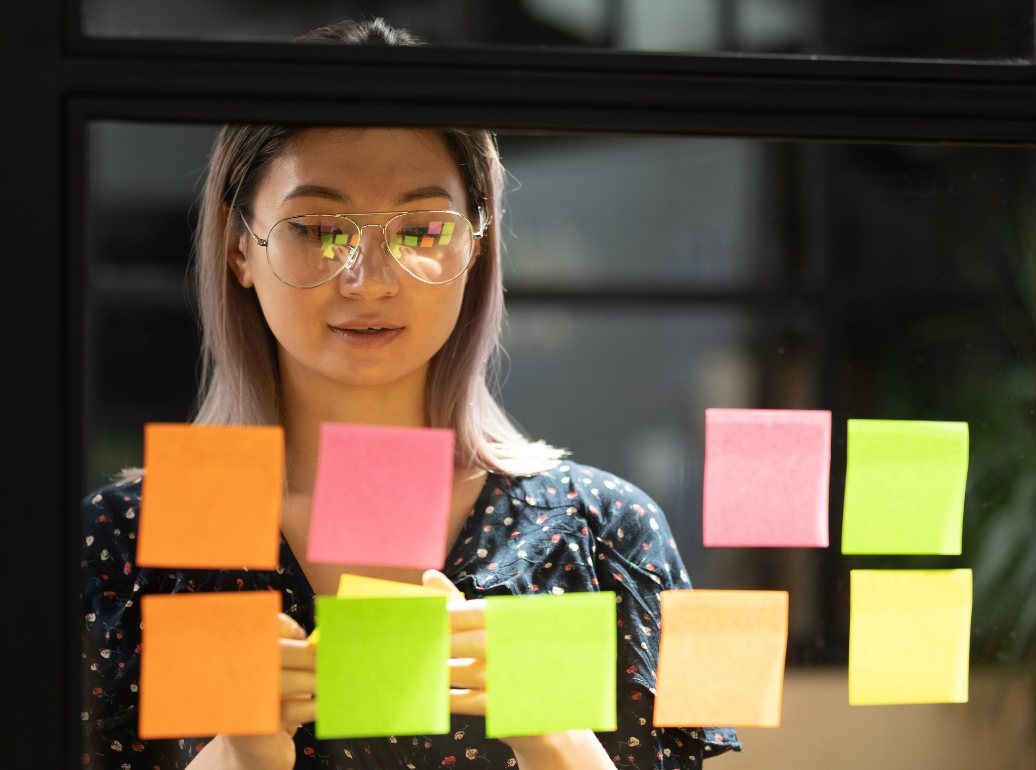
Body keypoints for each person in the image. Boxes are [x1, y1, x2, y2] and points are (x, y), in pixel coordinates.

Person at [81, 18, 741, 770]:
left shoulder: (607, 532)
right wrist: (240, 754)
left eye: (422, 230)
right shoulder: (123, 544)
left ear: (478, 242)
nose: (369, 278)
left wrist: (553, 737)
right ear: (240, 246)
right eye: (319, 228)